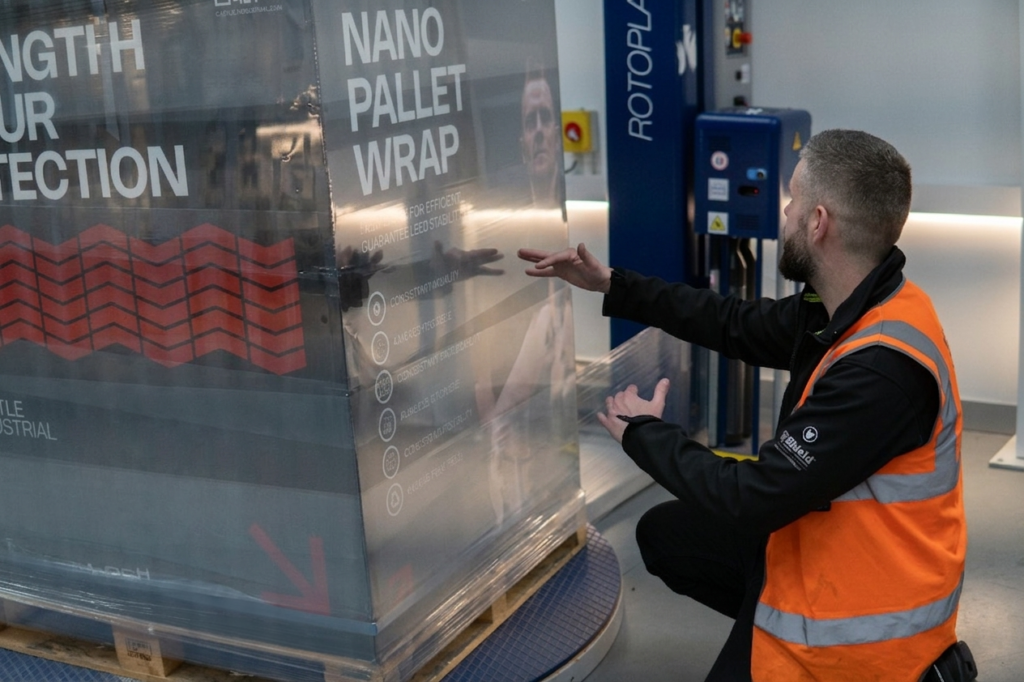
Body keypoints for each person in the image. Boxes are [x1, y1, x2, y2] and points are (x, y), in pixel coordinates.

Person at [518, 129, 978, 682]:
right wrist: (613, 284)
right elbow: (733, 323)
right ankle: (762, 613)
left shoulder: (880, 370)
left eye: (793, 199)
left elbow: (754, 496)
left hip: (860, 638)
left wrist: (644, 434)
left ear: (818, 222)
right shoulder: (854, 306)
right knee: (667, 534)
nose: (784, 211)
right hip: (824, 546)